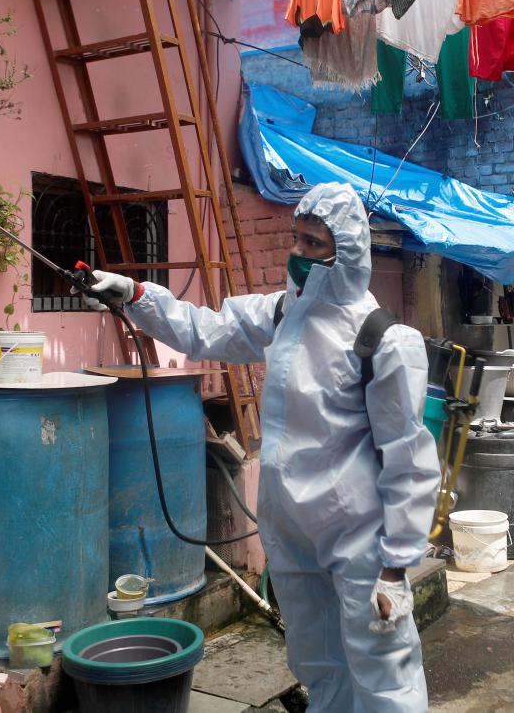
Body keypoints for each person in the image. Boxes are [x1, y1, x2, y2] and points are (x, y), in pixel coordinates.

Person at [86, 182, 440, 711]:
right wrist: (138, 297)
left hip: (358, 539)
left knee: (382, 670)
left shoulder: (384, 340)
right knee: (319, 663)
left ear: (345, 250)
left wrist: (397, 566)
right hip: (291, 531)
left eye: (313, 244)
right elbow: (206, 328)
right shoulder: (284, 315)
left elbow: (409, 461)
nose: (297, 254)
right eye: (295, 240)